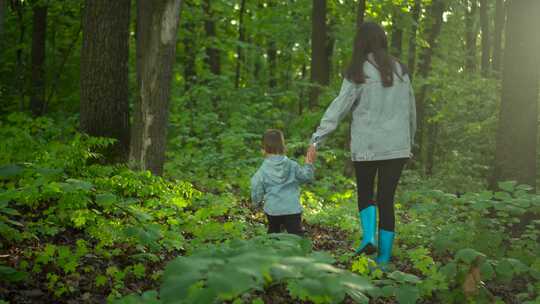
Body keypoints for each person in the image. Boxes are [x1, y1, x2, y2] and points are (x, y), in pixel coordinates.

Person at [308, 22, 416, 266]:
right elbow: (411, 110)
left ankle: (368, 237)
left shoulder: (359, 70)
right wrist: (411, 141)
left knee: (366, 192)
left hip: (367, 145)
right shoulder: (401, 70)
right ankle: (384, 259)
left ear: (361, 42)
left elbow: (339, 106)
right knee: (387, 199)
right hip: (397, 145)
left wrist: (317, 138)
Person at [251, 129, 316, 235]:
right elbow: (306, 177)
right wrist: (309, 163)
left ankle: (272, 250)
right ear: (284, 147)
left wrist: (256, 202)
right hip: (292, 209)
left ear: (263, 150)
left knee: (273, 235)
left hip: (273, 209)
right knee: (295, 235)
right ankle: (299, 250)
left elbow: (255, 185)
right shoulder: (292, 165)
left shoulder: (262, 171)